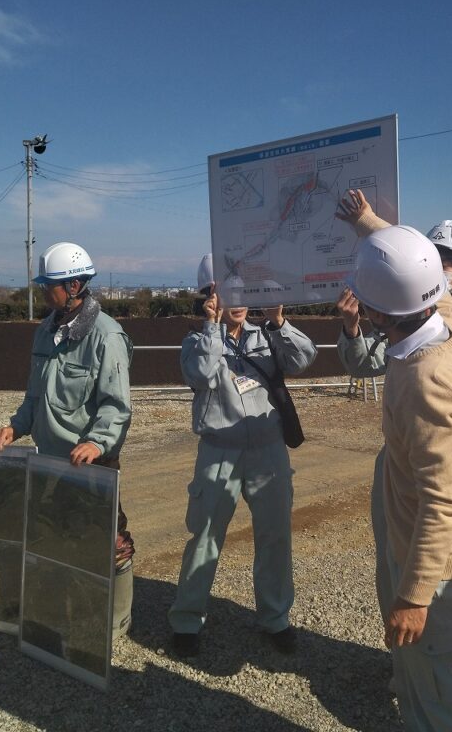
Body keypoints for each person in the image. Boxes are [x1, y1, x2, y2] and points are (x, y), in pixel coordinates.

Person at [335, 190, 452, 731]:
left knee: (446, 701)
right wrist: (366, 221)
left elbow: (444, 502)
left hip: (439, 570)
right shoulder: (449, 318)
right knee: (422, 683)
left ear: (379, 312)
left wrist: (415, 596)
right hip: (426, 548)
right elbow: (409, 264)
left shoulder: (427, 380)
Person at [168, 253, 317, 657]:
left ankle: (275, 617)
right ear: (208, 297)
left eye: (245, 291)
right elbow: (200, 374)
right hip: (219, 451)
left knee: (275, 537)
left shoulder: (265, 335)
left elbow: (303, 359)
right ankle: (187, 620)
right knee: (205, 537)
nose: (238, 301)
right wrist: (212, 328)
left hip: (269, 451)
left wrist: (279, 321)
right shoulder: (197, 341)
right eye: (228, 293)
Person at [0, 242, 135, 640]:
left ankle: (116, 623)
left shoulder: (106, 335)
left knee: (110, 543)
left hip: (91, 461)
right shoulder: (45, 331)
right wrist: (16, 426)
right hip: (50, 459)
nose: (43, 292)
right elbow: (34, 394)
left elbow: (117, 405)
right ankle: (64, 609)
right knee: (56, 535)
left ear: (74, 286)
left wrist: (97, 442)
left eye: (49, 285)